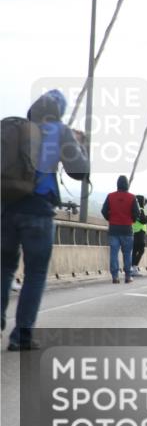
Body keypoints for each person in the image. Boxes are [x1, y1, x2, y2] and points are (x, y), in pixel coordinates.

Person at [1, 90, 89, 351]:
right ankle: (22, 336)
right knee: (35, 274)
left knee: (4, 268)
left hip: (6, 208)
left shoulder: (15, 128)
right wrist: (79, 144)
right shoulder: (59, 131)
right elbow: (79, 170)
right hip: (38, 209)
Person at [101, 175, 140, 285]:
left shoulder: (110, 196)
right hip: (127, 230)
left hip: (114, 229)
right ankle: (128, 276)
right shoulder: (132, 197)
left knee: (114, 254)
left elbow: (104, 211)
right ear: (127, 184)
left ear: (117, 184)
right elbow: (137, 213)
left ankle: (115, 277)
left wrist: (110, 218)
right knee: (127, 254)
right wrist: (130, 220)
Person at [130, 195, 147, 277]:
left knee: (135, 251)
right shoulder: (141, 209)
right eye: (144, 202)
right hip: (140, 232)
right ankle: (134, 268)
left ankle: (132, 268)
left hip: (135, 232)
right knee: (141, 250)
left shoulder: (134, 209)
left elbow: (140, 219)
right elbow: (143, 220)